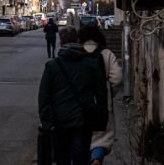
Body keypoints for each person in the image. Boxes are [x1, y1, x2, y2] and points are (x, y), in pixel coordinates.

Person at [38, 26, 107, 165]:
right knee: (81, 158)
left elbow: (44, 97)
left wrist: (47, 123)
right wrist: (101, 118)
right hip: (83, 120)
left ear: (60, 42)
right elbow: (101, 93)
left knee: (61, 158)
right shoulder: (91, 64)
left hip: (59, 121)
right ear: (77, 40)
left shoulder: (52, 66)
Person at [79, 25, 123, 165]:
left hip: (79, 104)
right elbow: (117, 78)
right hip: (101, 104)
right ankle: (97, 157)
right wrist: (108, 94)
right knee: (102, 137)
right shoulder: (106, 53)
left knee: (81, 137)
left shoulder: (77, 52)